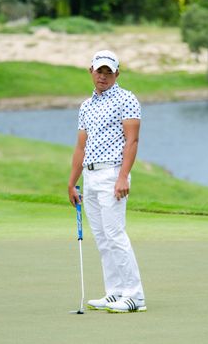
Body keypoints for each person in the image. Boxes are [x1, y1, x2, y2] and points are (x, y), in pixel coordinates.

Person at [68, 50, 146, 313]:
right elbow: (81, 147)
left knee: (115, 234)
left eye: (108, 72)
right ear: (91, 70)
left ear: (117, 74)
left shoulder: (127, 99)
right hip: (90, 176)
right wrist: (72, 183)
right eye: (99, 71)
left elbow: (132, 141)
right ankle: (115, 292)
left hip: (113, 173)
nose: (103, 76)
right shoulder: (86, 106)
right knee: (102, 237)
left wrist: (123, 176)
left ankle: (135, 296)